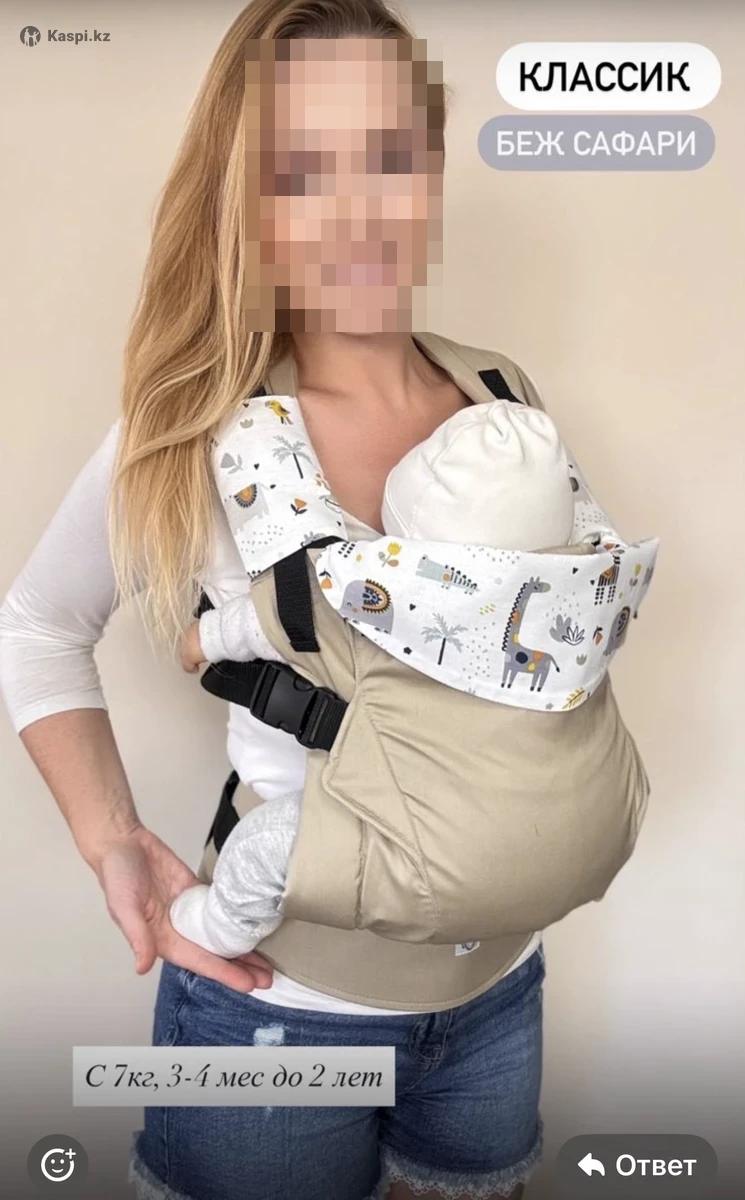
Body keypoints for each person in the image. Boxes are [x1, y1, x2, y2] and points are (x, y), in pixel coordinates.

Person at [0, 2, 554, 1197]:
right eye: (304, 171)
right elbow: (38, 627)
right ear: (250, 201)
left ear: (431, 164)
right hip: (276, 1016)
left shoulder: (501, 394)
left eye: (387, 155)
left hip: (501, 993)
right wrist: (112, 841)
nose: (357, 212)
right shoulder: (198, 430)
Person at [170, 395, 576, 958]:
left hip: (394, 813)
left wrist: (203, 638)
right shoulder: (570, 609)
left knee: (263, 847)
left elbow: (279, 619)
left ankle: (219, 928)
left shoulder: (383, 603)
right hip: (507, 818)